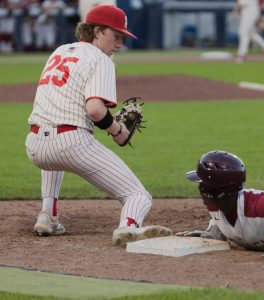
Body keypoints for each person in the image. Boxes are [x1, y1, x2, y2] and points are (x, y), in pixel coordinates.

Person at [25, 4, 171, 247]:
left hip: (34, 144)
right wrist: (118, 131)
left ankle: (47, 215)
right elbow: (95, 109)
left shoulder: (59, 51)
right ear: (96, 32)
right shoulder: (100, 59)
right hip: (71, 144)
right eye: (116, 36)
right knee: (138, 195)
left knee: (52, 144)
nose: (119, 43)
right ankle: (128, 227)